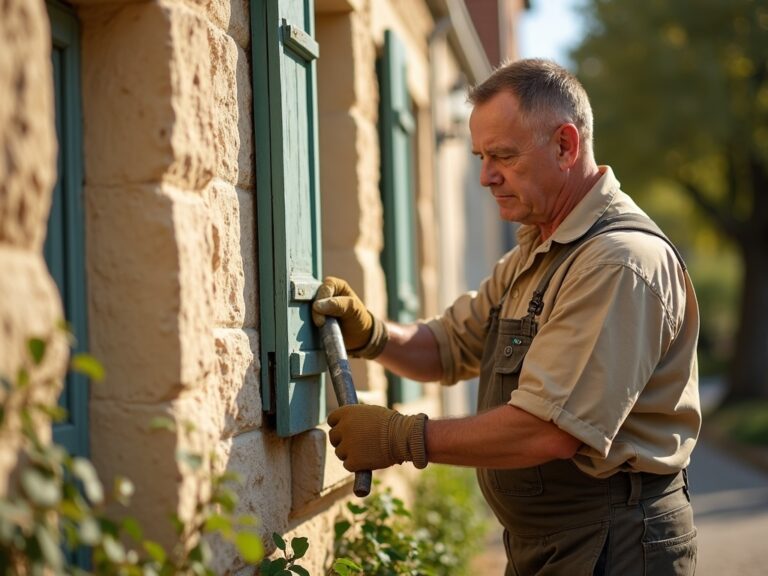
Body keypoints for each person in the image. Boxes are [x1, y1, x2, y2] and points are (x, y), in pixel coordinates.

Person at [312, 58, 700, 576]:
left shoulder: (616, 261)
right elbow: (447, 347)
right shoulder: (537, 250)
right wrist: (374, 335)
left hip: (617, 542)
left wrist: (400, 438)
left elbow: (547, 432)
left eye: (503, 156)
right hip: (556, 543)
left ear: (565, 146)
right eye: (480, 155)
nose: (485, 176)